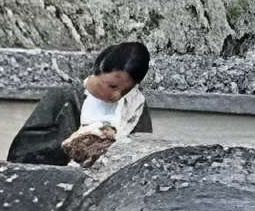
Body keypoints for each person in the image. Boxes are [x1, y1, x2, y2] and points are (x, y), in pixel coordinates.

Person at [8, 42, 154, 165]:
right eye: (112, 86)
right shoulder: (65, 96)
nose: (116, 95)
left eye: (125, 91)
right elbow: (21, 153)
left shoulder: (135, 106)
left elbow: (141, 155)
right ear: (98, 70)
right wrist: (69, 146)